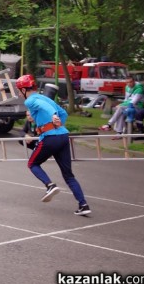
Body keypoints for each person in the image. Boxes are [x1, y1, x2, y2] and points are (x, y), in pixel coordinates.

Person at [15, 74, 91, 216]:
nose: (19, 93)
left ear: (25, 89)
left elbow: (44, 107)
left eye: (20, 90)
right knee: (68, 175)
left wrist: (53, 116)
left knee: (32, 164)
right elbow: (63, 113)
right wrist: (58, 121)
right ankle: (83, 204)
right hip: (62, 136)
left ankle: (50, 186)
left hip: (50, 138)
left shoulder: (30, 100)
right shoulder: (45, 97)